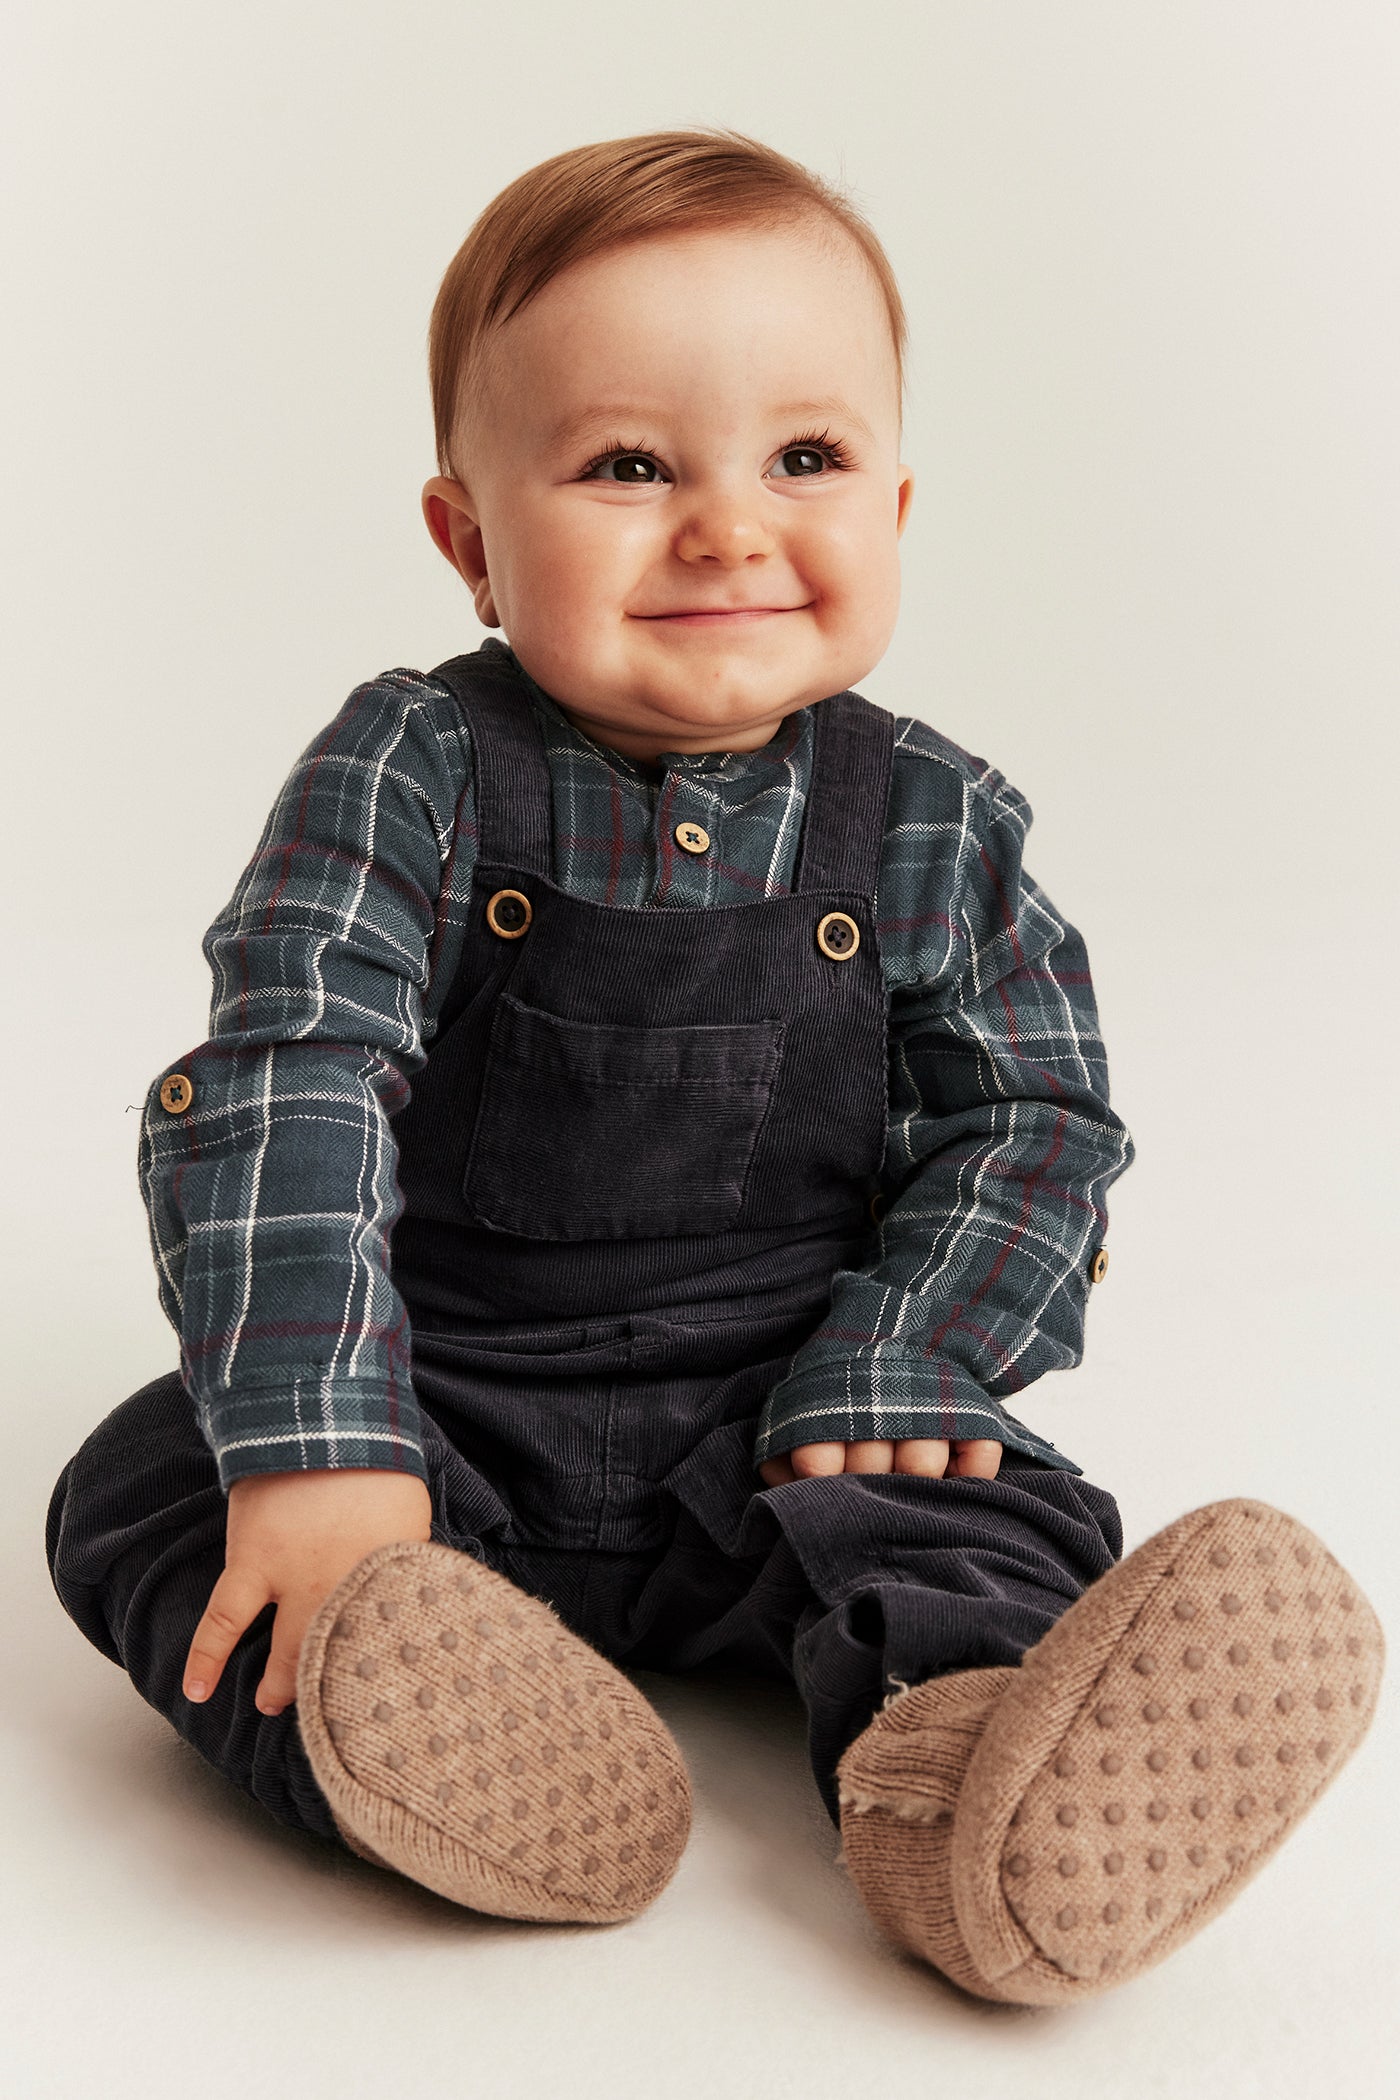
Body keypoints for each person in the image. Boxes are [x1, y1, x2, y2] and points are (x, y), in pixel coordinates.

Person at [46, 130, 1381, 2004]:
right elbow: (288, 1078)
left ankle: (977, 1805)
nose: (731, 525)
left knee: (977, 1523)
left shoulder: (930, 818)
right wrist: (323, 1445)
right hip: (445, 1396)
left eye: (806, 460)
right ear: (470, 540)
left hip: (792, 1407)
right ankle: (418, 1734)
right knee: (148, 1491)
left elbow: (1033, 1121)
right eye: (626, 465)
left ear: (899, 510)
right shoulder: (409, 769)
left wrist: (905, 1359)